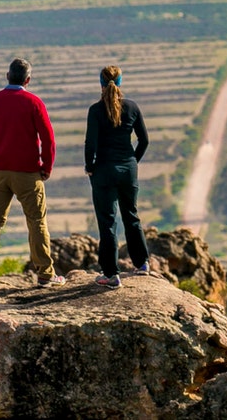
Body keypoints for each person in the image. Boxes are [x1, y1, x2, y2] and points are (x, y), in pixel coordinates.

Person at [0, 57, 64, 287]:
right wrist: (46, 168)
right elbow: (48, 139)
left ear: (7, 76)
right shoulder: (34, 103)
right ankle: (45, 274)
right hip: (28, 174)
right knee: (36, 221)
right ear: (27, 80)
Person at [84, 65, 150, 288]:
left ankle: (111, 274)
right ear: (121, 82)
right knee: (131, 216)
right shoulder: (132, 107)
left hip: (103, 171)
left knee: (108, 222)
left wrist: (90, 167)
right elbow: (144, 140)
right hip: (127, 169)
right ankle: (142, 264)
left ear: (101, 83)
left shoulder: (95, 110)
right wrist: (132, 161)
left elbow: (90, 144)